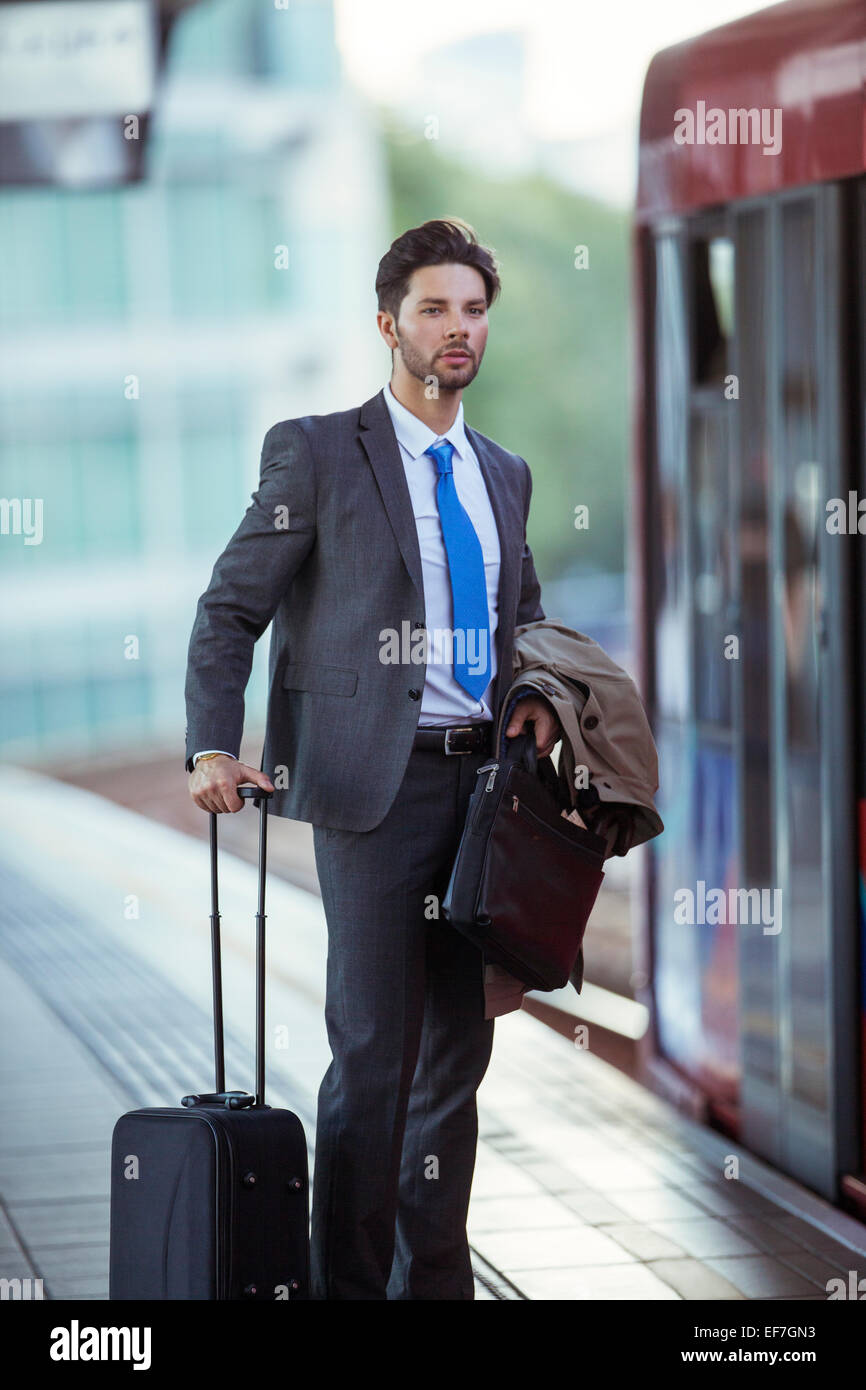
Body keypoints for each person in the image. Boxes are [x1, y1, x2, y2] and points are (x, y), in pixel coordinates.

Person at [184, 217, 560, 1300]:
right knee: (373, 1060)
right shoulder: (316, 450)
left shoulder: (504, 470)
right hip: (370, 798)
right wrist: (214, 740)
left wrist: (537, 707)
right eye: (435, 309)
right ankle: (344, 1290)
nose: (457, 329)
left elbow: (522, 620)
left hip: (481, 794)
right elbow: (228, 610)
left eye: (474, 310)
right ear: (387, 321)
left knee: (457, 1061)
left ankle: (433, 1287)